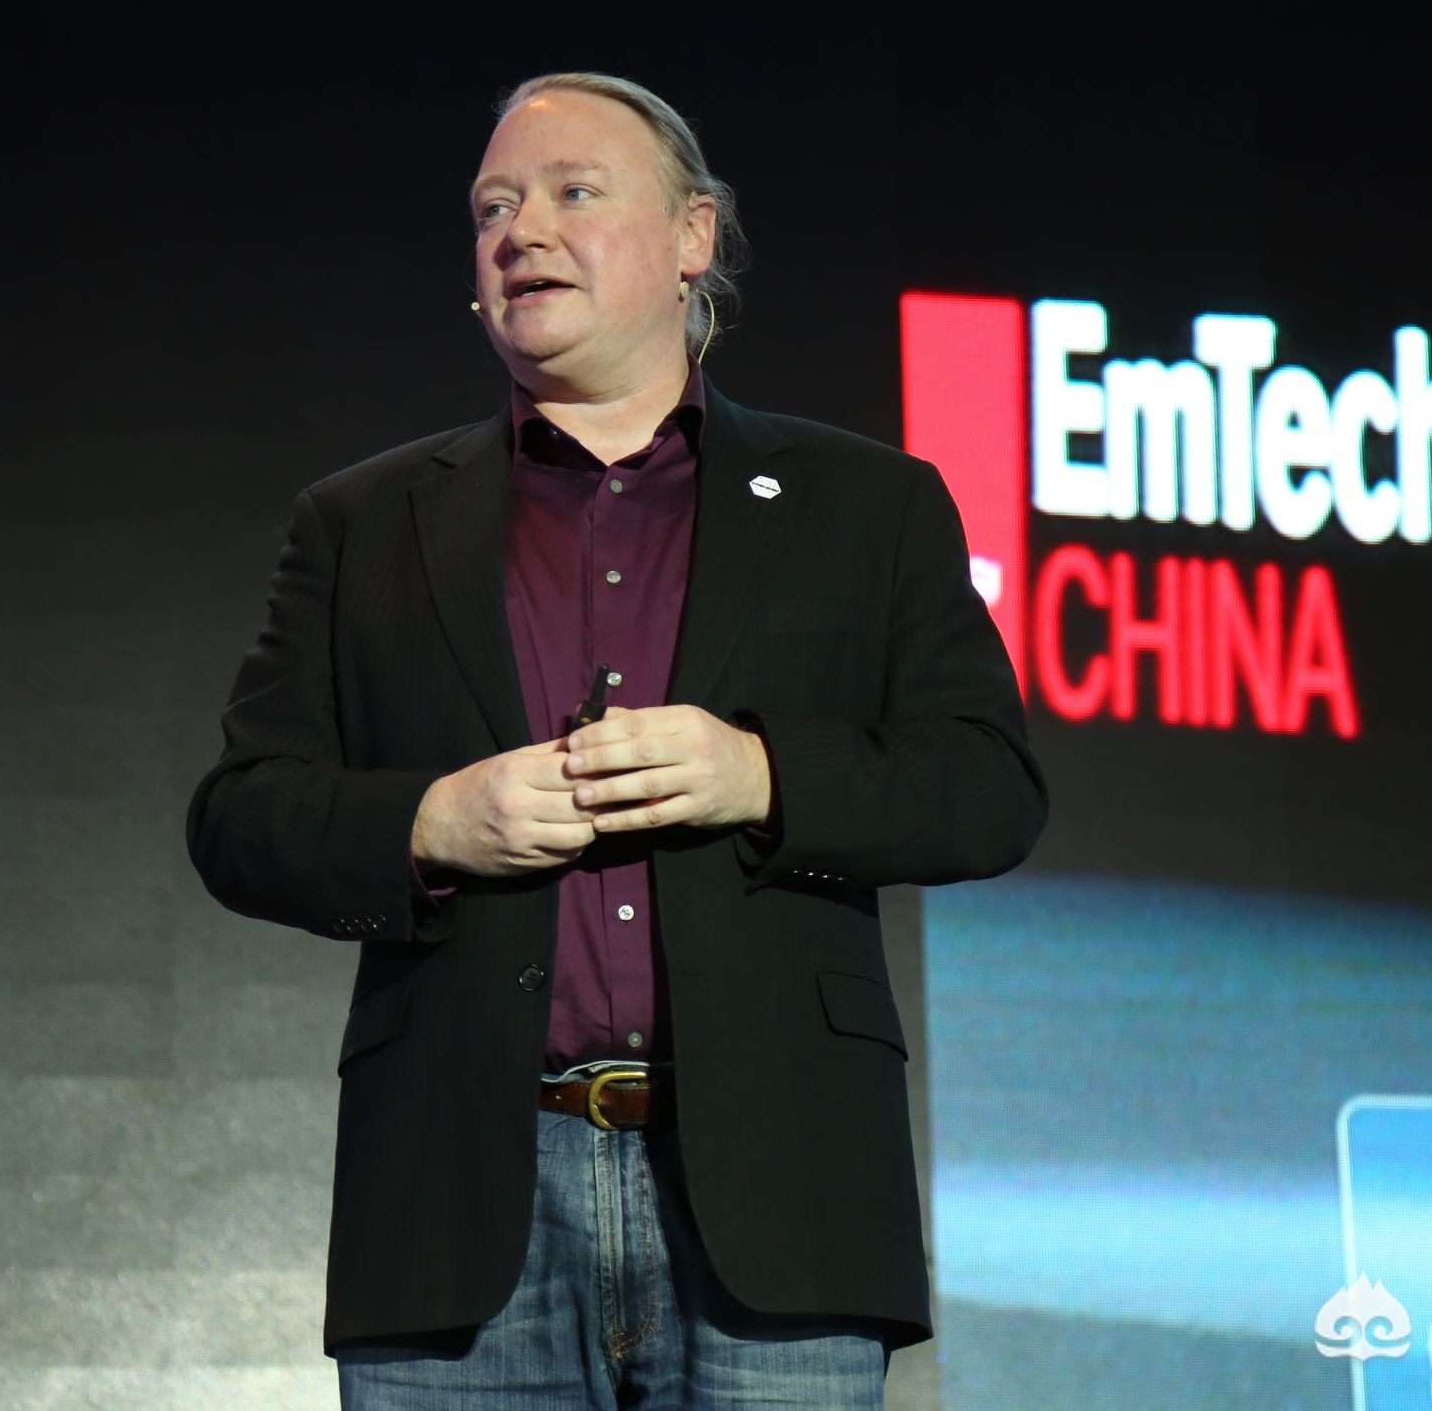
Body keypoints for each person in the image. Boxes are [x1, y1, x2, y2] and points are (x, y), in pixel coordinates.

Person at [187, 71, 1047, 1409]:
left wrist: (760, 774)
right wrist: (429, 825)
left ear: (693, 236)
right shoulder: (361, 523)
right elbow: (241, 817)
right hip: (461, 1210)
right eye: (492, 209)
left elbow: (988, 788)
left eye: (572, 192)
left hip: (780, 1200)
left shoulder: (866, 504)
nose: (520, 232)